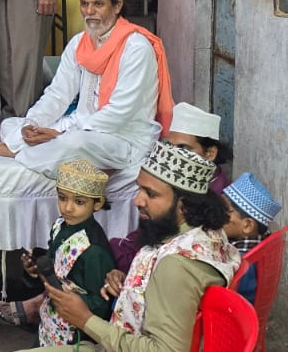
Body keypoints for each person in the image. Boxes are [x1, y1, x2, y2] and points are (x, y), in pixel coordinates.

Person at [27, 142, 240, 352]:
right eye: (140, 189)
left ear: (183, 206)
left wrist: (85, 319)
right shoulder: (206, 233)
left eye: (151, 194)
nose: (137, 201)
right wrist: (132, 281)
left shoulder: (176, 266)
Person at [0, 0, 173, 177]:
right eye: (84, 3)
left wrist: (60, 133)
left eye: (98, 4)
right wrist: (34, 123)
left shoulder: (136, 48)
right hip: (81, 125)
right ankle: (34, 145)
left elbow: (120, 113)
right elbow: (58, 93)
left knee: (74, 143)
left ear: (117, 6)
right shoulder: (80, 42)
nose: (89, 11)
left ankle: (13, 152)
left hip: (124, 137)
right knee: (12, 124)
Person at [108, 102, 231, 273]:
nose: (173, 155)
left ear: (210, 153)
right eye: (170, 147)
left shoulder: (216, 199)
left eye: (183, 149)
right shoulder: (168, 182)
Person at [28, 158, 117, 347]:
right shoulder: (60, 225)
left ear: (97, 203)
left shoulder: (94, 251)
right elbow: (54, 263)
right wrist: (35, 269)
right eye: (62, 198)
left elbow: (100, 305)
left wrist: (71, 301)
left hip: (74, 331)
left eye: (79, 201)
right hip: (51, 318)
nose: (68, 208)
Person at [221, 173, 280, 304]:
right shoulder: (261, 240)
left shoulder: (243, 264)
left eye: (224, 210)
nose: (217, 214)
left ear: (247, 225)